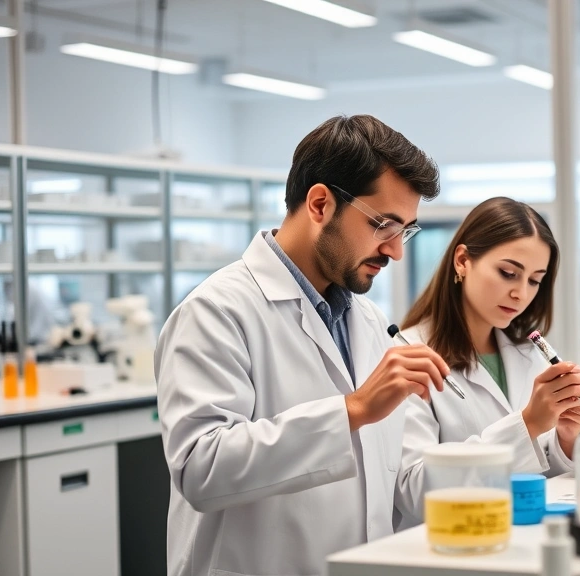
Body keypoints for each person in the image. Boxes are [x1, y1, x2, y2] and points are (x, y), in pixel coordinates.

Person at [155, 115, 456, 576]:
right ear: (320, 204)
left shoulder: (368, 321)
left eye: (406, 231)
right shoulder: (217, 311)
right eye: (384, 225)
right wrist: (352, 411)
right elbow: (201, 468)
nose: (395, 251)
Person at [394, 197, 580, 525]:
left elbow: (543, 473)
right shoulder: (408, 355)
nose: (521, 293)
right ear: (462, 261)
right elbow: (413, 493)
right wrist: (528, 424)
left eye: (534, 280)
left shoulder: (529, 353)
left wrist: (565, 437)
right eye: (508, 273)